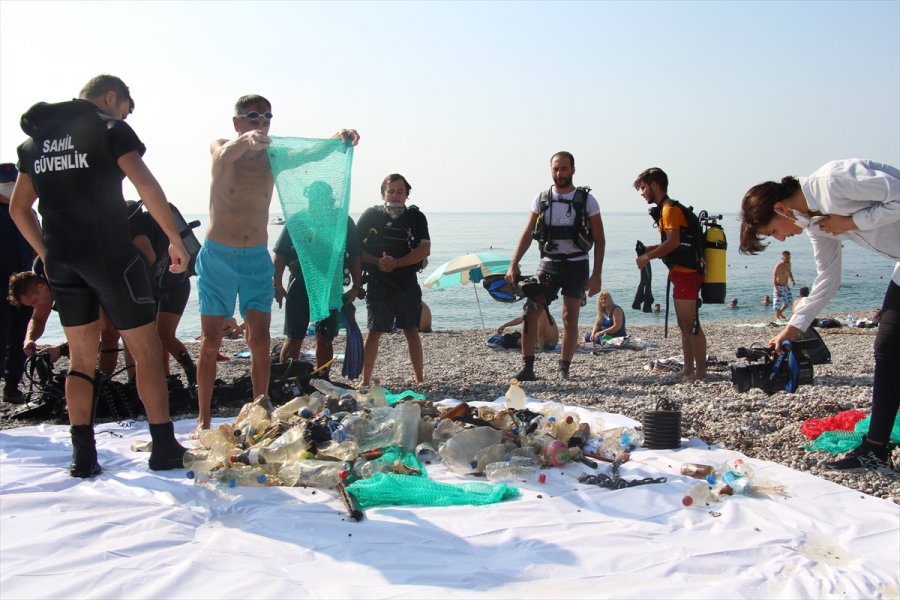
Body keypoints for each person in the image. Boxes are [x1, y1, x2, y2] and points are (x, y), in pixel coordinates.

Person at [9, 74, 188, 477]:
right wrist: (174, 239)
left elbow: (19, 209)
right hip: (110, 257)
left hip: (62, 262)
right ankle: (163, 447)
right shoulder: (111, 129)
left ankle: (83, 456)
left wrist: (45, 254)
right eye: (126, 105)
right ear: (111, 97)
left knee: (82, 360)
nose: (126, 113)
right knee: (144, 351)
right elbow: (145, 185)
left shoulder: (33, 143)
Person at [196, 94, 358, 431]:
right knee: (211, 341)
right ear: (237, 122)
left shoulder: (273, 156)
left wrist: (337, 137)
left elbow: (308, 153)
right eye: (253, 117)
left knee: (259, 339)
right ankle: (203, 418)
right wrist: (245, 141)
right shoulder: (222, 146)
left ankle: (261, 411)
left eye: (267, 118)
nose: (261, 124)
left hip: (256, 256)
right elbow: (223, 152)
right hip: (219, 256)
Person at [739, 158, 899, 474]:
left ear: (782, 209)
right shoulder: (815, 223)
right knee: (887, 347)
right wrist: (793, 327)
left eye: (773, 231)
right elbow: (828, 277)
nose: (781, 239)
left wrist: (851, 222)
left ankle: (876, 447)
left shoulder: (832, 181)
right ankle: (875, 449)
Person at [506, 151, 605, 380]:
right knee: (531, 311)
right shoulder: (541, 199)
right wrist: (514, 263)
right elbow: (528, 234)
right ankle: (528, 367)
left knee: (570, 317)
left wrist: (597, 275)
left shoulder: (587, 201)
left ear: (572, 169)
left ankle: (564, 368)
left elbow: (600, 239)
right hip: (548, 264)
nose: (559, 173)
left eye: (563, 168)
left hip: (577, 265)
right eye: (555, 169)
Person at [273, 185, 363, 379]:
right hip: (300, 282)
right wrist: (277, 284)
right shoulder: (297, 220)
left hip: (330, 285)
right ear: (308, 199)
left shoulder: (343, 221)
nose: (317, 202)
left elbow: (356, 255)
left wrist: (357, 286)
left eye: (322, 198)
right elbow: (280, 253)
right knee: (294, 336)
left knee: (325, 337)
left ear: (330, 199)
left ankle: (322, 379)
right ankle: (285, 380)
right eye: (313, 198)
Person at [634, 167, 707, 381]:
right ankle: (688, 369)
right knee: (684, 325)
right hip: (681, 273)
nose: (642, 193)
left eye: (644, 187)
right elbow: (673, 243)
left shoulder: (669, 210)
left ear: (655, 185)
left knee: (691, 324)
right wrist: (649, 248)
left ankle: (700, 371)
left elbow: (673, 242)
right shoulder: (667, 209)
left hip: (687, 274)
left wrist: (648, 257)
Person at [357, 174, 430, 386]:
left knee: (411, 330)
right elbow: (354, 249)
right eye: (391, 191)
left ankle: (419, 379)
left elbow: (425, 249)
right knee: (374, 331)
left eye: (400, 191)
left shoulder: (416, 217)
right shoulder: (371, 215)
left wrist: (397, 263)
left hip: (407, 282)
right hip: (378, 282)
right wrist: (378, 261)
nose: (395, 195)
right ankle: (365, 380)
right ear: (383, 194)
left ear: (407, 195)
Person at [127, 201, 196, 387]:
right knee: (163, 335)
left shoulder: (134, 225)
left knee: (161, 334)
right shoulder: (151, 221)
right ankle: (172, 377)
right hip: (176, 281)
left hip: (161, 284)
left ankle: (187, 374)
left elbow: (148, 255)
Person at [1, 163, 34, 404]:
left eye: (14, 182)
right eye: (6, 183)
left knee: (19, 336)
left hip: (25, 286)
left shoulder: (27, 212)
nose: (11, 188)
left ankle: (12, 386)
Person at [773, 250, 796, 320]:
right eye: (786, 258)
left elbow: (790, 272)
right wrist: (776, 289)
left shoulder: (789, 264)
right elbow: (774, 277)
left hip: (786, 286)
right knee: (777, 304)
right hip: (779, 286)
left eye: (789, 258)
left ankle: (779, 313)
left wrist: (792, 280)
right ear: (782, 258)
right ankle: (778, 316)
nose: (788, 260)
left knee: (788, 303)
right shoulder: (779, 266)